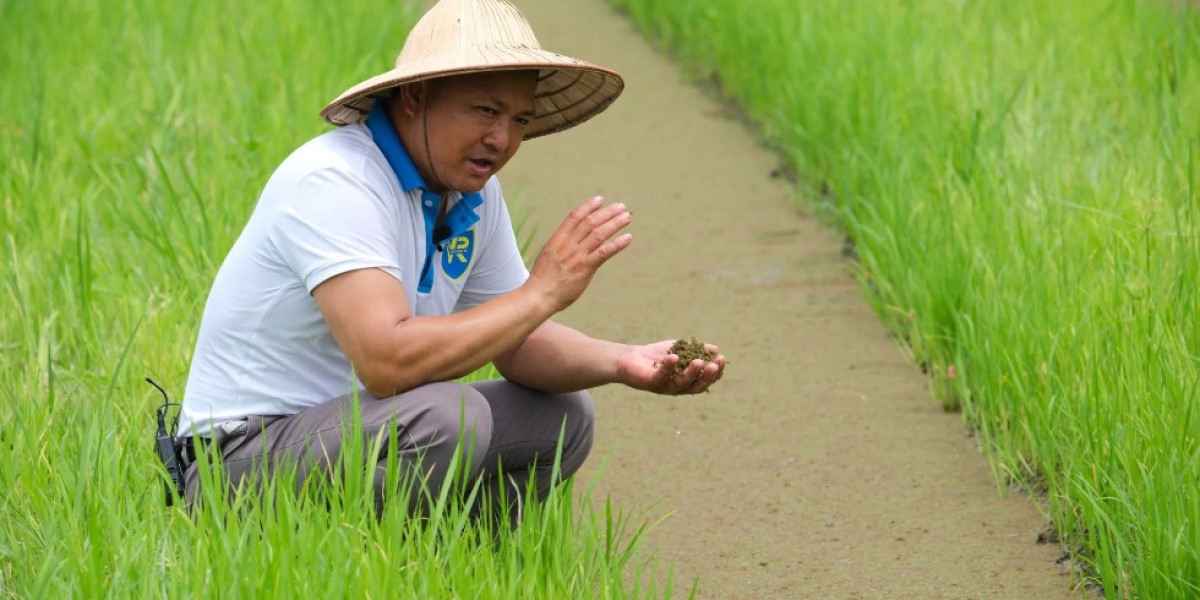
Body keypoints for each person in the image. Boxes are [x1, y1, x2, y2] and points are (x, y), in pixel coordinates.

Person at [177, 0, 726, 523]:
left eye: (518, 119)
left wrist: (624, 361)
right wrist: (543, 292)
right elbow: (386, 363)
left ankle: (453, 561)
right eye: (486, 110)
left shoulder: (473, 196)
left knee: (563, 416)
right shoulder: (337, 181)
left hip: (352, 434)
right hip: (237, 465)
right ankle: (374, 564)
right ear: (415, 96)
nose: (502, 139)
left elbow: (517, 342)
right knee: (444, 417)